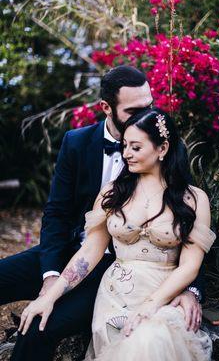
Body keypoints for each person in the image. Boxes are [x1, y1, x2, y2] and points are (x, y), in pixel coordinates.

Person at [0, 66, 203, 361]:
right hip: (79, 250)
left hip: (118, 268)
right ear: (107, 107)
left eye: (149, 106)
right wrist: (51, 276)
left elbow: (184, 222)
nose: (145, 116)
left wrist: (192, 290)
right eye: (134, 109)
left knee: (40, 327)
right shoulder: (77, 142)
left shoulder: (163, 148)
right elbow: (57, 213)